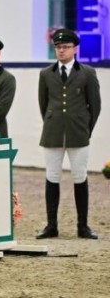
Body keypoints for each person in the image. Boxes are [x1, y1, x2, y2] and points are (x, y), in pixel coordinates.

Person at [36, 28, 101, 240]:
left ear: (74, 49)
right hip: (53, 132)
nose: (61, 51)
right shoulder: (46, 74)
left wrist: (85, 129)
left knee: (79, 177)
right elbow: (43, 104)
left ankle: (83, 226)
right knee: (52, 177)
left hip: (78, 132)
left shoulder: (87, 73)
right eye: (58, 47)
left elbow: (95, 105)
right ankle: (51, 225)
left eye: (65, 47)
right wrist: (52, 122)